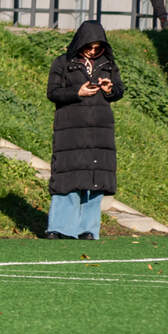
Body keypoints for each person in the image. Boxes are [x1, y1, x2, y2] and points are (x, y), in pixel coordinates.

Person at [43, 20, 125, 241]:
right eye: (89, 47)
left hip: (100, 130)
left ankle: (88, 229)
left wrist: (109, 89)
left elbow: (119, 90)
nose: (93, 51)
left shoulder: (108, 64)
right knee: (67, 177)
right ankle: (59, 227)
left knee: (95, 179)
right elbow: (52, 93)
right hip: (70, 128)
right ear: (80, 43)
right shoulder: (62, 63)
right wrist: (76, 92)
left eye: (98, 48)